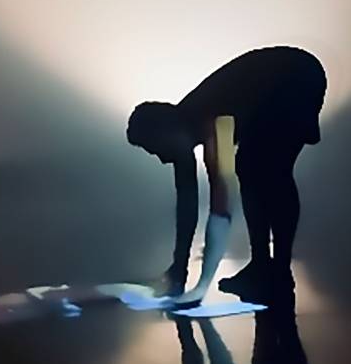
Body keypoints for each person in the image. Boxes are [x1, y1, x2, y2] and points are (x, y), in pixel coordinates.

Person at [127, 46, 327, 305]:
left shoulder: (213, 123)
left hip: (295, 76)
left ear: (166, 132)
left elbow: (222, 207)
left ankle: (276, 271)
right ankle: (265, 268)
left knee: (268, 169)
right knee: (254, 166)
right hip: (283, 78)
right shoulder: (183, 129)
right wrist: (178, 269)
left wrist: (200, 288)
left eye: (155, 149)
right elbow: (187, 204)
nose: (160, 158)